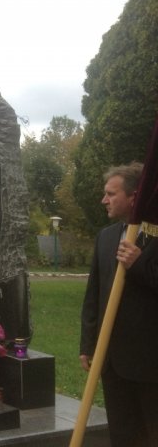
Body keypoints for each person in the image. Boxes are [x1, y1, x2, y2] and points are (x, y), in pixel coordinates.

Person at [79, 162, 158, 447]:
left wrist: (138, 264)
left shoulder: (156, 236)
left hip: (150, 363)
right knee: (123, 435)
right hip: (112, 361)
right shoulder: (106, 237)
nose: (104, 200)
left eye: (111, 194)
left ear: (134, 197)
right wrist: (88, 344)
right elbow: (93, 297)